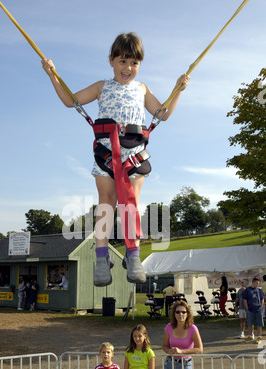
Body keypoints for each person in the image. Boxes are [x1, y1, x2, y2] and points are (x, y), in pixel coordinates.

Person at [42, 32, 190, 287]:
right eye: (122, 61)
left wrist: (178, 90)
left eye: (134, 63)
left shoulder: (142, 88)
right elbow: (70, 100)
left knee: (131, 205)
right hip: (106, 154)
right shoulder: (102, 87)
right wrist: (52, 74)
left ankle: (133, 255)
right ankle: (102, 258)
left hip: (133, 154)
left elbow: (162, 113)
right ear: (111, 60)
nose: (128, 68)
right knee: (106, 205)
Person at [242, 277, 265, 344]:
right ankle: (250, 336)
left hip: (258, 309)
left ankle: (259, 337)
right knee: (250, 323)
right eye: (257, 283)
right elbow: (245, 299)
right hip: (250, 310)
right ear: (253, 282)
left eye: (258, 283)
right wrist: (247, 308)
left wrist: (261, 307)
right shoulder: (247, 290)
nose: (258, 285)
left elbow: (262, 299)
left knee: (259, 324)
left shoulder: (259, 290)